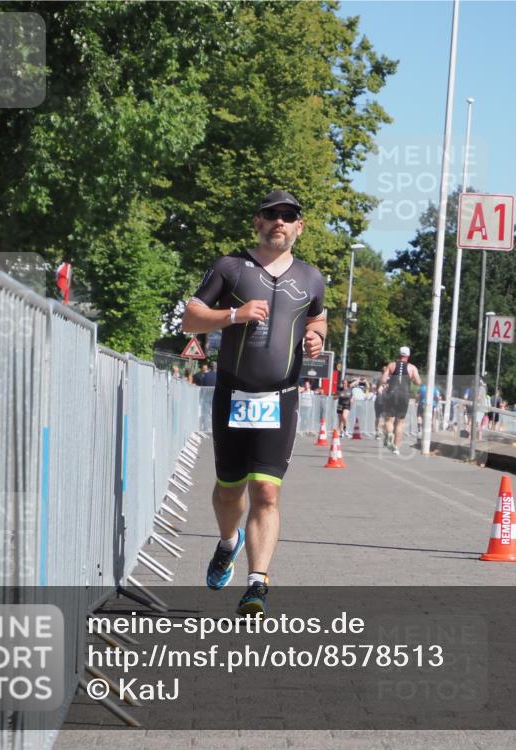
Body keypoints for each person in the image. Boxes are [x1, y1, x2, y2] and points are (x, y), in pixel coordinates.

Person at [182, 189, 326, 616]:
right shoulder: (231, 267)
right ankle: (229, 543)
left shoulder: (311, 277)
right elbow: (190, 317)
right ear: (257, 222)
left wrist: (317, 337)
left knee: (266, 491)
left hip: (280, 397)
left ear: (299, 226)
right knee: (229, 490)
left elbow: (317, 316)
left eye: (288, 216)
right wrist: (232, 316)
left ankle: (257, 583)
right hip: (232, 394)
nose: (279, 221)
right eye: (271, 214)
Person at [379, 346, 421, 455]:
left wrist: (388, 382)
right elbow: (418, 382)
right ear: (408, 356)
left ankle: (389, 434)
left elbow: (383, 380)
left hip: (392, 393)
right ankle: (396, 448)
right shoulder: (412, 367)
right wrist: (412, 379)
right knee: (400, 422)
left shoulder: (392, 365)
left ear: (399, 354)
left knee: (389, 420)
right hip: (404, 395)